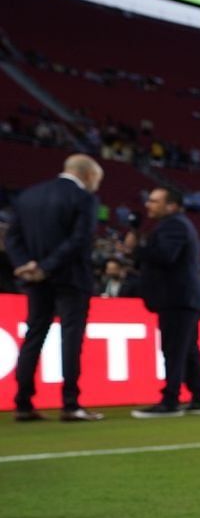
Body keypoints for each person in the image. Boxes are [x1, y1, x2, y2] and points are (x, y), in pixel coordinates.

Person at [6, 154, 106, 422]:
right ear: (87, 175)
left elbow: (12, 236)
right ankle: (70, 404)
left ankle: (23, 404)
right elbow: (79, 240)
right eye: (97, 180)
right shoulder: (84, 198)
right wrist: (46, 266)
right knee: (71, 339)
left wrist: (25, 265)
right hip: (71, 278)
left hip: (34, 279)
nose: (96, 185)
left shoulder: (28, 196)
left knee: (34, 334)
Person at [129, 186, 200, 418]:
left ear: (171, 205)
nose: (148, 205)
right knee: (187, 349)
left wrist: (138, 249)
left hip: (177, 297)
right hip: (184, 297)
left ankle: (171, 400)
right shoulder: (179, 224)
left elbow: (166, 256)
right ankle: (198, 398)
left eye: (154, 201)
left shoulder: (173, 225)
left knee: (174, 349)